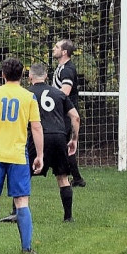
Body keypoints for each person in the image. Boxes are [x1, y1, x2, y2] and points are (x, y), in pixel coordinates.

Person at [0, 57, 44, 254]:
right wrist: (40, 155)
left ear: (3, 75)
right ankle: (27, 249)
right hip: (18, 155)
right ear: (22, 75)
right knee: (22, 201)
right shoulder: (28, 97)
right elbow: (36, 127)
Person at [0, 63, 80, 223]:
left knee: (23, 174)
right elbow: (75, 117)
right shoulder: (59, 94)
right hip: (59, 136)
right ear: (46, 76)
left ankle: (17, 212)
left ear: (29, 77)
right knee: (62, 177)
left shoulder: (26, 94)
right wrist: (74, 139)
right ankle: (68, 217)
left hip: (39, 136)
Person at [52, 39, 86, 187]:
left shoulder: (67, 69)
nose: (53, 49)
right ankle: (77, 178)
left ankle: (74, 178)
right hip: (62, 113)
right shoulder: (61, 67)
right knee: (66, 145)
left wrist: (48, 99)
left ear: (64, 52)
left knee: (65, 145)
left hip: (66, 114)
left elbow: (64, 92)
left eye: (57, 47)